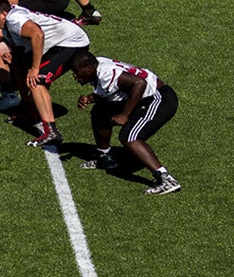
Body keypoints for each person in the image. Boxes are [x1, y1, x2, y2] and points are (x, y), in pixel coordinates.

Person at [69, 51, 181, 195]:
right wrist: (89, 98)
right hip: (139, 97)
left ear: (88, 69)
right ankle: (105, 157)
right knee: (100, 112)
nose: (75, 76)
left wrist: (125, 114)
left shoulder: (105, 73)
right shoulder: (97, 67)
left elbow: (139, 83)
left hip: (157, 98)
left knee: (129, 136)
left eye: (76, 72)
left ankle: (166, 178)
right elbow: (112, 90)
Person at [0, 0, 89, 147]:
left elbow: (38, 35)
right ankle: (31, 112)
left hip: (71, 42)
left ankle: (51, 130)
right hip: (56, 43)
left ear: (3, 14)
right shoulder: (8, 25)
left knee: (37, 80)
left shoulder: (14, 19)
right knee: (18, 67)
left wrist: (34, 68)